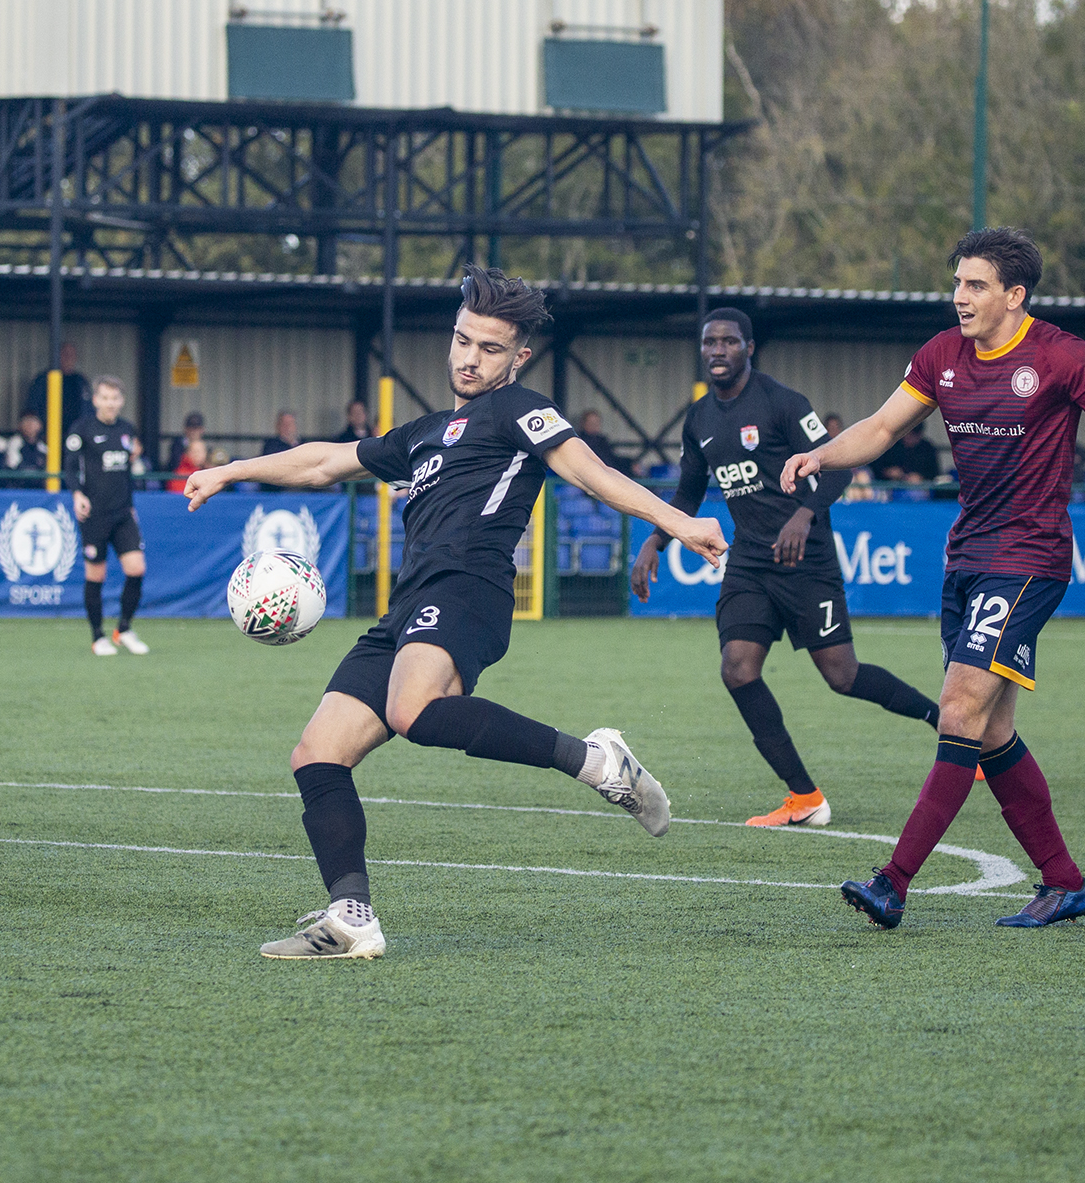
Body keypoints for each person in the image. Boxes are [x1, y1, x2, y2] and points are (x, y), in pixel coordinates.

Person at [184, 265, 728, 959]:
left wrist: (678, 521)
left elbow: (589, 469)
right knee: (316, 754)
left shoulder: (516, 410)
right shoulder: (425, 432)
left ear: (518, 357)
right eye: (462, 340)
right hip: (408, 606)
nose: (470, 358)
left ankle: (596, 758)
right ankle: (353, 918)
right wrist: (231, 471)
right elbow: (325, 461)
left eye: (490, 348)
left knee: (414, 710)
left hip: (469, 588)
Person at [783, 227, 1085, 930]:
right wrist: (822, 455)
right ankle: (1064, 883)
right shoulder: (941, 355)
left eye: (975, 285)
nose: (959, 297)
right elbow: (879, 428)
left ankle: (892, 882)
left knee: (959, 710)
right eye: (957, 282)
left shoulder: (1063, 356)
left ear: (1014, 295)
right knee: (991, 733)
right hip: (965, 559)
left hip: (1030, 559)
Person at [630, 307, 940, 826]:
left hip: (807, 558)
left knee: (842, 676)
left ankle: (941, 720)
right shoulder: (700, 417)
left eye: (729, 342)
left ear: (748, 348)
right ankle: (804, 798)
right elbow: (688, 489)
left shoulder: (781, 402)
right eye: (709, 343)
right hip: (750, 561)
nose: (717, 351)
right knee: (737, 667)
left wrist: (803, 516)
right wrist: (655, 541)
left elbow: (837, 467)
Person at [65, 376, 149, 655]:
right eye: (105, 398)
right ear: (96, 400)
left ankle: (123, 628)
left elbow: (126, 470)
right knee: (96, 576)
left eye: (115, 398)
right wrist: (78, 495)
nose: (110, 403)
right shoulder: (82, 429)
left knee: (136, 569)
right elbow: (70, 467)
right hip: (94, 515)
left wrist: (132, 502)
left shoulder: (127, 430)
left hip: (123, 512)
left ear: (121, 401)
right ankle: (97, 635)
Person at [24, 341, 91, 432]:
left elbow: (88, 409)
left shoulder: (80, 381)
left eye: (71, 355)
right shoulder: (43, 380)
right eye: (65, 354)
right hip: (49, 434)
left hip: (76, 434)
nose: (68, 358)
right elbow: (32, 409)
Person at [874, 419, 941, 482]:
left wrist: (921, 478)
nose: (909, 438)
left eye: (913, 435)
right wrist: (888, 472)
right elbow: (876, 467)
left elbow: (935, 473)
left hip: (919, 489)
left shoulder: (927, 448)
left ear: (919, 435)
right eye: (907, 434)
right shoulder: (892, 445)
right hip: (890, 486)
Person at [575, 409, 632, 475]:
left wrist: (630, 463)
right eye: (591, 423)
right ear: (583, 423)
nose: (594, 426)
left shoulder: (602, 441)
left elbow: (612, 459)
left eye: (596, 423)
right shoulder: (578, 440)